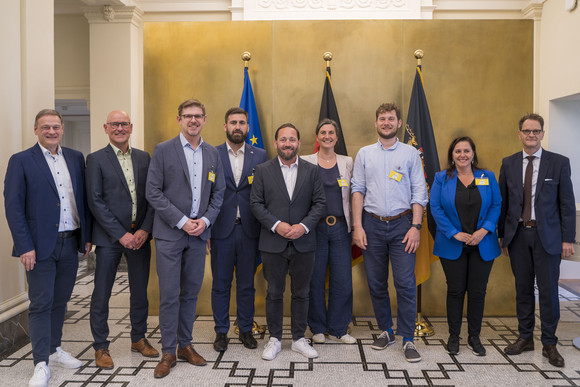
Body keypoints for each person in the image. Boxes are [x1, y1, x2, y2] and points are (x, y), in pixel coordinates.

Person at [4, 109, 92, 387]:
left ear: (62, 128)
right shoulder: (21, 161)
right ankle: (40, 362)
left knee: (60, 301)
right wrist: (25, 246)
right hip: (39, 247)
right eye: (46, 127)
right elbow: (14, 207)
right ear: (36, 129)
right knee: (41, 304)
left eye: (56, 127)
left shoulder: (76, 158)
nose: (51, 131)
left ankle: (55, 350)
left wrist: (86, 236)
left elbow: (83, 200)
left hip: (70, 242)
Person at [146, 99, 225, 378]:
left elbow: (218, 194)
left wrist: (203, 222)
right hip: (170, 234)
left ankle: (185, 345)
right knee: (169, 294)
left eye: (198, 116)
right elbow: (153, 192)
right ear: (179, 119)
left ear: (205, 119)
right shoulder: (164, 150)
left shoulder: (213, 154)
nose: (193, 120)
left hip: (198, 236)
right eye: (188, 116)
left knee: (190, 292)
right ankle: (168, 350)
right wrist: (182, 221)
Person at [351, 102, 427, 363]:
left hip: (402, 226)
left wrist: (416, 227)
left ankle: (407, 339)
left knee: (405, 284)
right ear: (376, 123)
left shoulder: (410, 154)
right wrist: (358, 226)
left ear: (398, 123)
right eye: (382, 118)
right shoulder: (364, 154)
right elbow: (357, 190)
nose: (386, 123)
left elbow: (419, 192)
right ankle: (387, 330)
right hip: (370, 225)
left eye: (391, 119)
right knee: (376, 283)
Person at [498, 113, 575, 368]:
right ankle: (525, 337)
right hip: (518, 235)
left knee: (549, 292)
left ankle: (550, 343)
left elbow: (566, 204)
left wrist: (568, 239)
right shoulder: (508, 163)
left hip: (548, 238)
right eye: (527, 131)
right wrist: (502, 236)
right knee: (522, 289)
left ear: (542, 134)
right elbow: (503, 203)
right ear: (519, 134)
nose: (531, 135)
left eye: (536, 131)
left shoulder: (559, 163)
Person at [86, 110, 158, 370]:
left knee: (140, 292)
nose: (120, 128)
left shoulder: (143, 157)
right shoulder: (95, 159)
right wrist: (121, 234)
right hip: (109, 239)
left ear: (131, 127)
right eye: (115, 124)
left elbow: (152, 196)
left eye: (124, 124)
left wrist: (145, 230)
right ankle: (101, 346)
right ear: (106, 128)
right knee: (102, 293)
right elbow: (95, 201)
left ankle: (138, 338)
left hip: (139, 236)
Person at [250, 123, 326, 361]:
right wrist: (277, 225)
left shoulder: (312, 170)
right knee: (274, 292)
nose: (287, 144)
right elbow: (256, 204)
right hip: (273, 242)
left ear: (299, 143)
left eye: (292, 139)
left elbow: (320, 203)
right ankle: (274, 339)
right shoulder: (262, 170)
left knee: (302, 293)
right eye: (283, 139)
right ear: (276, 143)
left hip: (304, 242)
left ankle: (298, 339)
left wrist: (302, 227)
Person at [430, 136, 501, 356]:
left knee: (478, 292)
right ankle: (454, 337)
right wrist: (454, 233)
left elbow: (497, 204)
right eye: (458, 151)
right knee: (455, 291)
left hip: (482, 242)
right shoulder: (442, 178)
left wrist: (484, 230)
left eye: (466, 151)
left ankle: (474, 337)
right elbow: (435, 207)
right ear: (452, 155)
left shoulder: (487, 176)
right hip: (453, 244)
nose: (462, 155)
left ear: (473, 154)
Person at [210, 107, 267, 352]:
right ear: (225, 126)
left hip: (249, 231)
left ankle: (245, 330)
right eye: (232, 122)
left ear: (247, 127)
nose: (237, 126)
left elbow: (265, 193)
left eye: (242, 122)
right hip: (220, 231)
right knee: (221, 285)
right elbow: (206, 193)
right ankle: (221, 332)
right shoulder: (211, 154)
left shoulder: (260, 154)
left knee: (246, 285)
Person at [301, 118, 355, 344]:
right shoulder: (305, 161)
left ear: (336, 137)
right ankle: (317, 328)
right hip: (315, 228)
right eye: (323, 132)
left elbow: (355, 194)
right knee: (315, 278)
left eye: (331, 132)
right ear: (317, 137)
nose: (327, 136)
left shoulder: (347, 162)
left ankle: (339, 328)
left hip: (341, 227)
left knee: (342, 279)